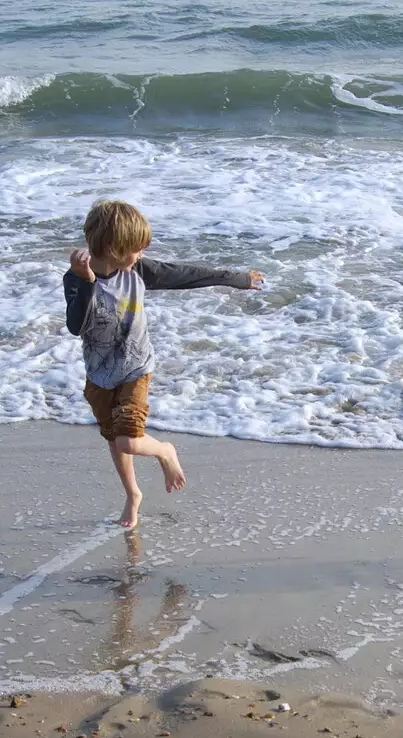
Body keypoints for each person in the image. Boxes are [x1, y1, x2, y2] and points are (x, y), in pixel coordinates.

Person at [64, 199, 264, 528]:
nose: (140, 256)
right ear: (114, 248)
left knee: (128, 439)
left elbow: (185, 274)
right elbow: (77, 325)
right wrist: (85, 282)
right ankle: (133, 495)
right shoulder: (76, 279)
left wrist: (235, 278)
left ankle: (165, 451)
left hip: (136, 368)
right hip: (99, 374)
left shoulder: (137, 271)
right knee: (115, 439)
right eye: (136, 250)